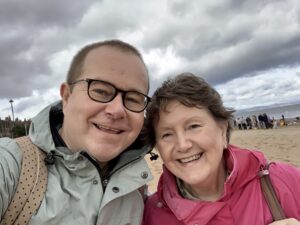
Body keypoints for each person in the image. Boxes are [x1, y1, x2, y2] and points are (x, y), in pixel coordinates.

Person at [0, 40, 153, 225]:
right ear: (66, 97)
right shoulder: (12, 166)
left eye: (133, 99)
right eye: (101, 91)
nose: (117, 110)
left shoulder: (139, 189)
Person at [142, 73, 300, 225]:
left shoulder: (282, 181)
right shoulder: (152, 215)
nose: (183, 145)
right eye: (167, 134)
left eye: (193, 126)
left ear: (223, 131)